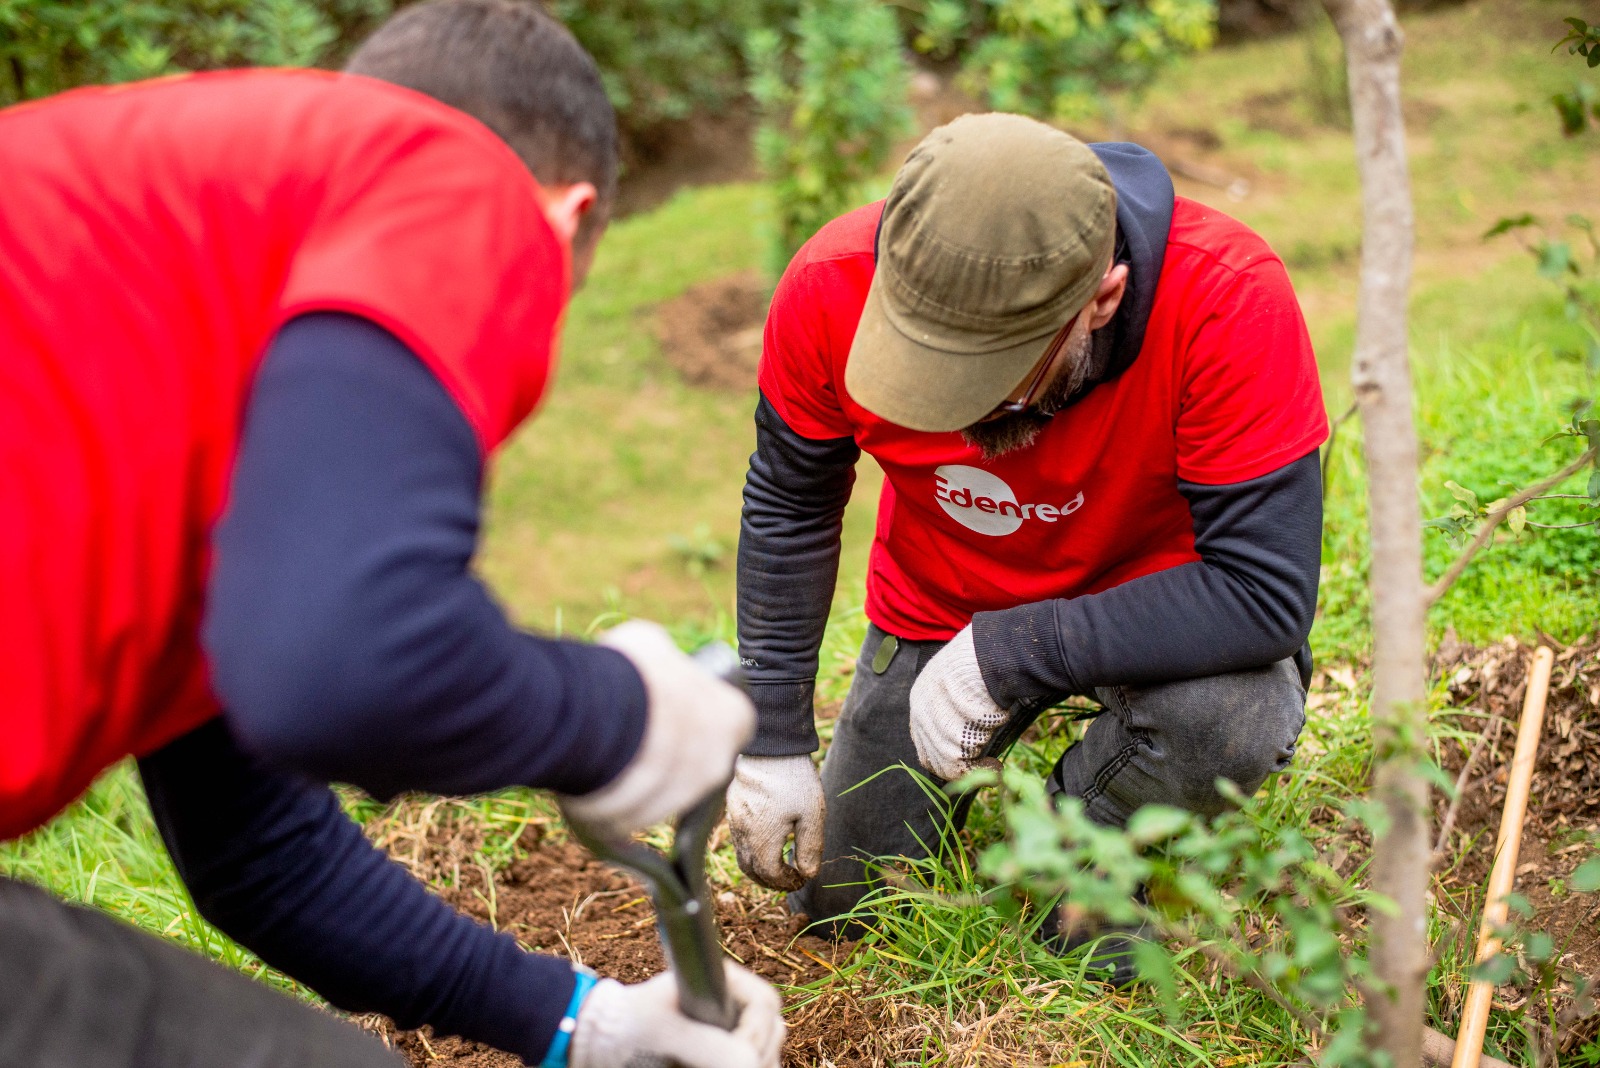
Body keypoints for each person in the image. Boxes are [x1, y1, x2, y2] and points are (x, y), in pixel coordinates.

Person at [0, 2, 783, 1066]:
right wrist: (619, 715)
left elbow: (262, 849)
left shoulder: (169, 339)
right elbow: (340, 662)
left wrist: (577, 1023)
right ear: (567, 215)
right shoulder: (455, 177)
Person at [726, 113, 1328, 975]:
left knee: (1228, 723)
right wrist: (774, 731)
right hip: (941, 598)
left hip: (1163, 615)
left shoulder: (1226, 297)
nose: (952, 415)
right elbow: (791, 498)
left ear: (1103, 299)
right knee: (846, 912)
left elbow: (1262, 594)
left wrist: (1018, 652)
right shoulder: (829, 283)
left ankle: (1075, 872)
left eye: (989, 379)